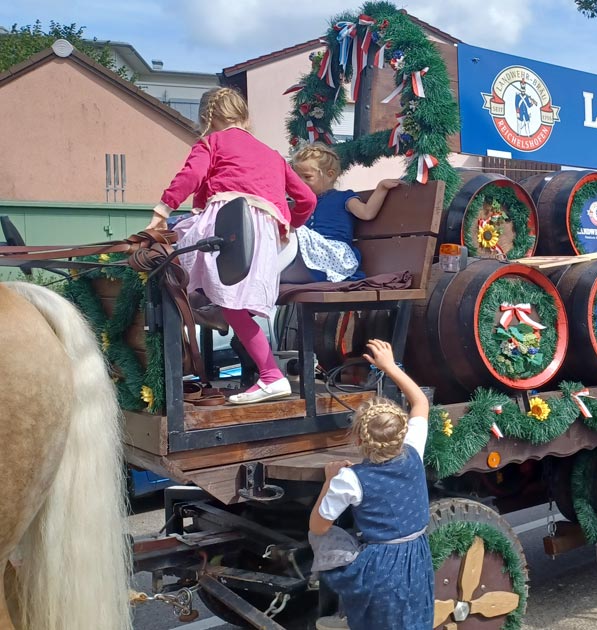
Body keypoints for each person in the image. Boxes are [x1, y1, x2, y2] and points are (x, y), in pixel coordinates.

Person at [146, 87, 316, 405]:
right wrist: (287, 224)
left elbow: (192, 175)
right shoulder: (272, 154)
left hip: (230, 224)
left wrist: (162, 211)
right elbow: (307, 198)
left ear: (207, 118)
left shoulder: (213, 142)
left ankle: (270, 375)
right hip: (264, 235)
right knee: (230, 299)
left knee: (171, 260)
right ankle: (215, 311)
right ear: (244, 116)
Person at [310, 339, 433, 629]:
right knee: (412, 614)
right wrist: (389, 367)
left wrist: (329, 481)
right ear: (402, 432)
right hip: (416, 555)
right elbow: (421, 402)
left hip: (380, 565)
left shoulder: (349, 479)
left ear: (358, 439)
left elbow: (318, 526)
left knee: (379, 619)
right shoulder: (414, 450)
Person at [285, 143, 401, 284]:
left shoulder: (343, 197)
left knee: (293, 228)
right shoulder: (302, 203)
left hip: (335, 255)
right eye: (298, 179)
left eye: (307, 177)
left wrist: (381, 188)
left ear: (329, 175)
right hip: (311, 257)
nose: (301, 183)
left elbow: (367, 213)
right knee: (284, 229)